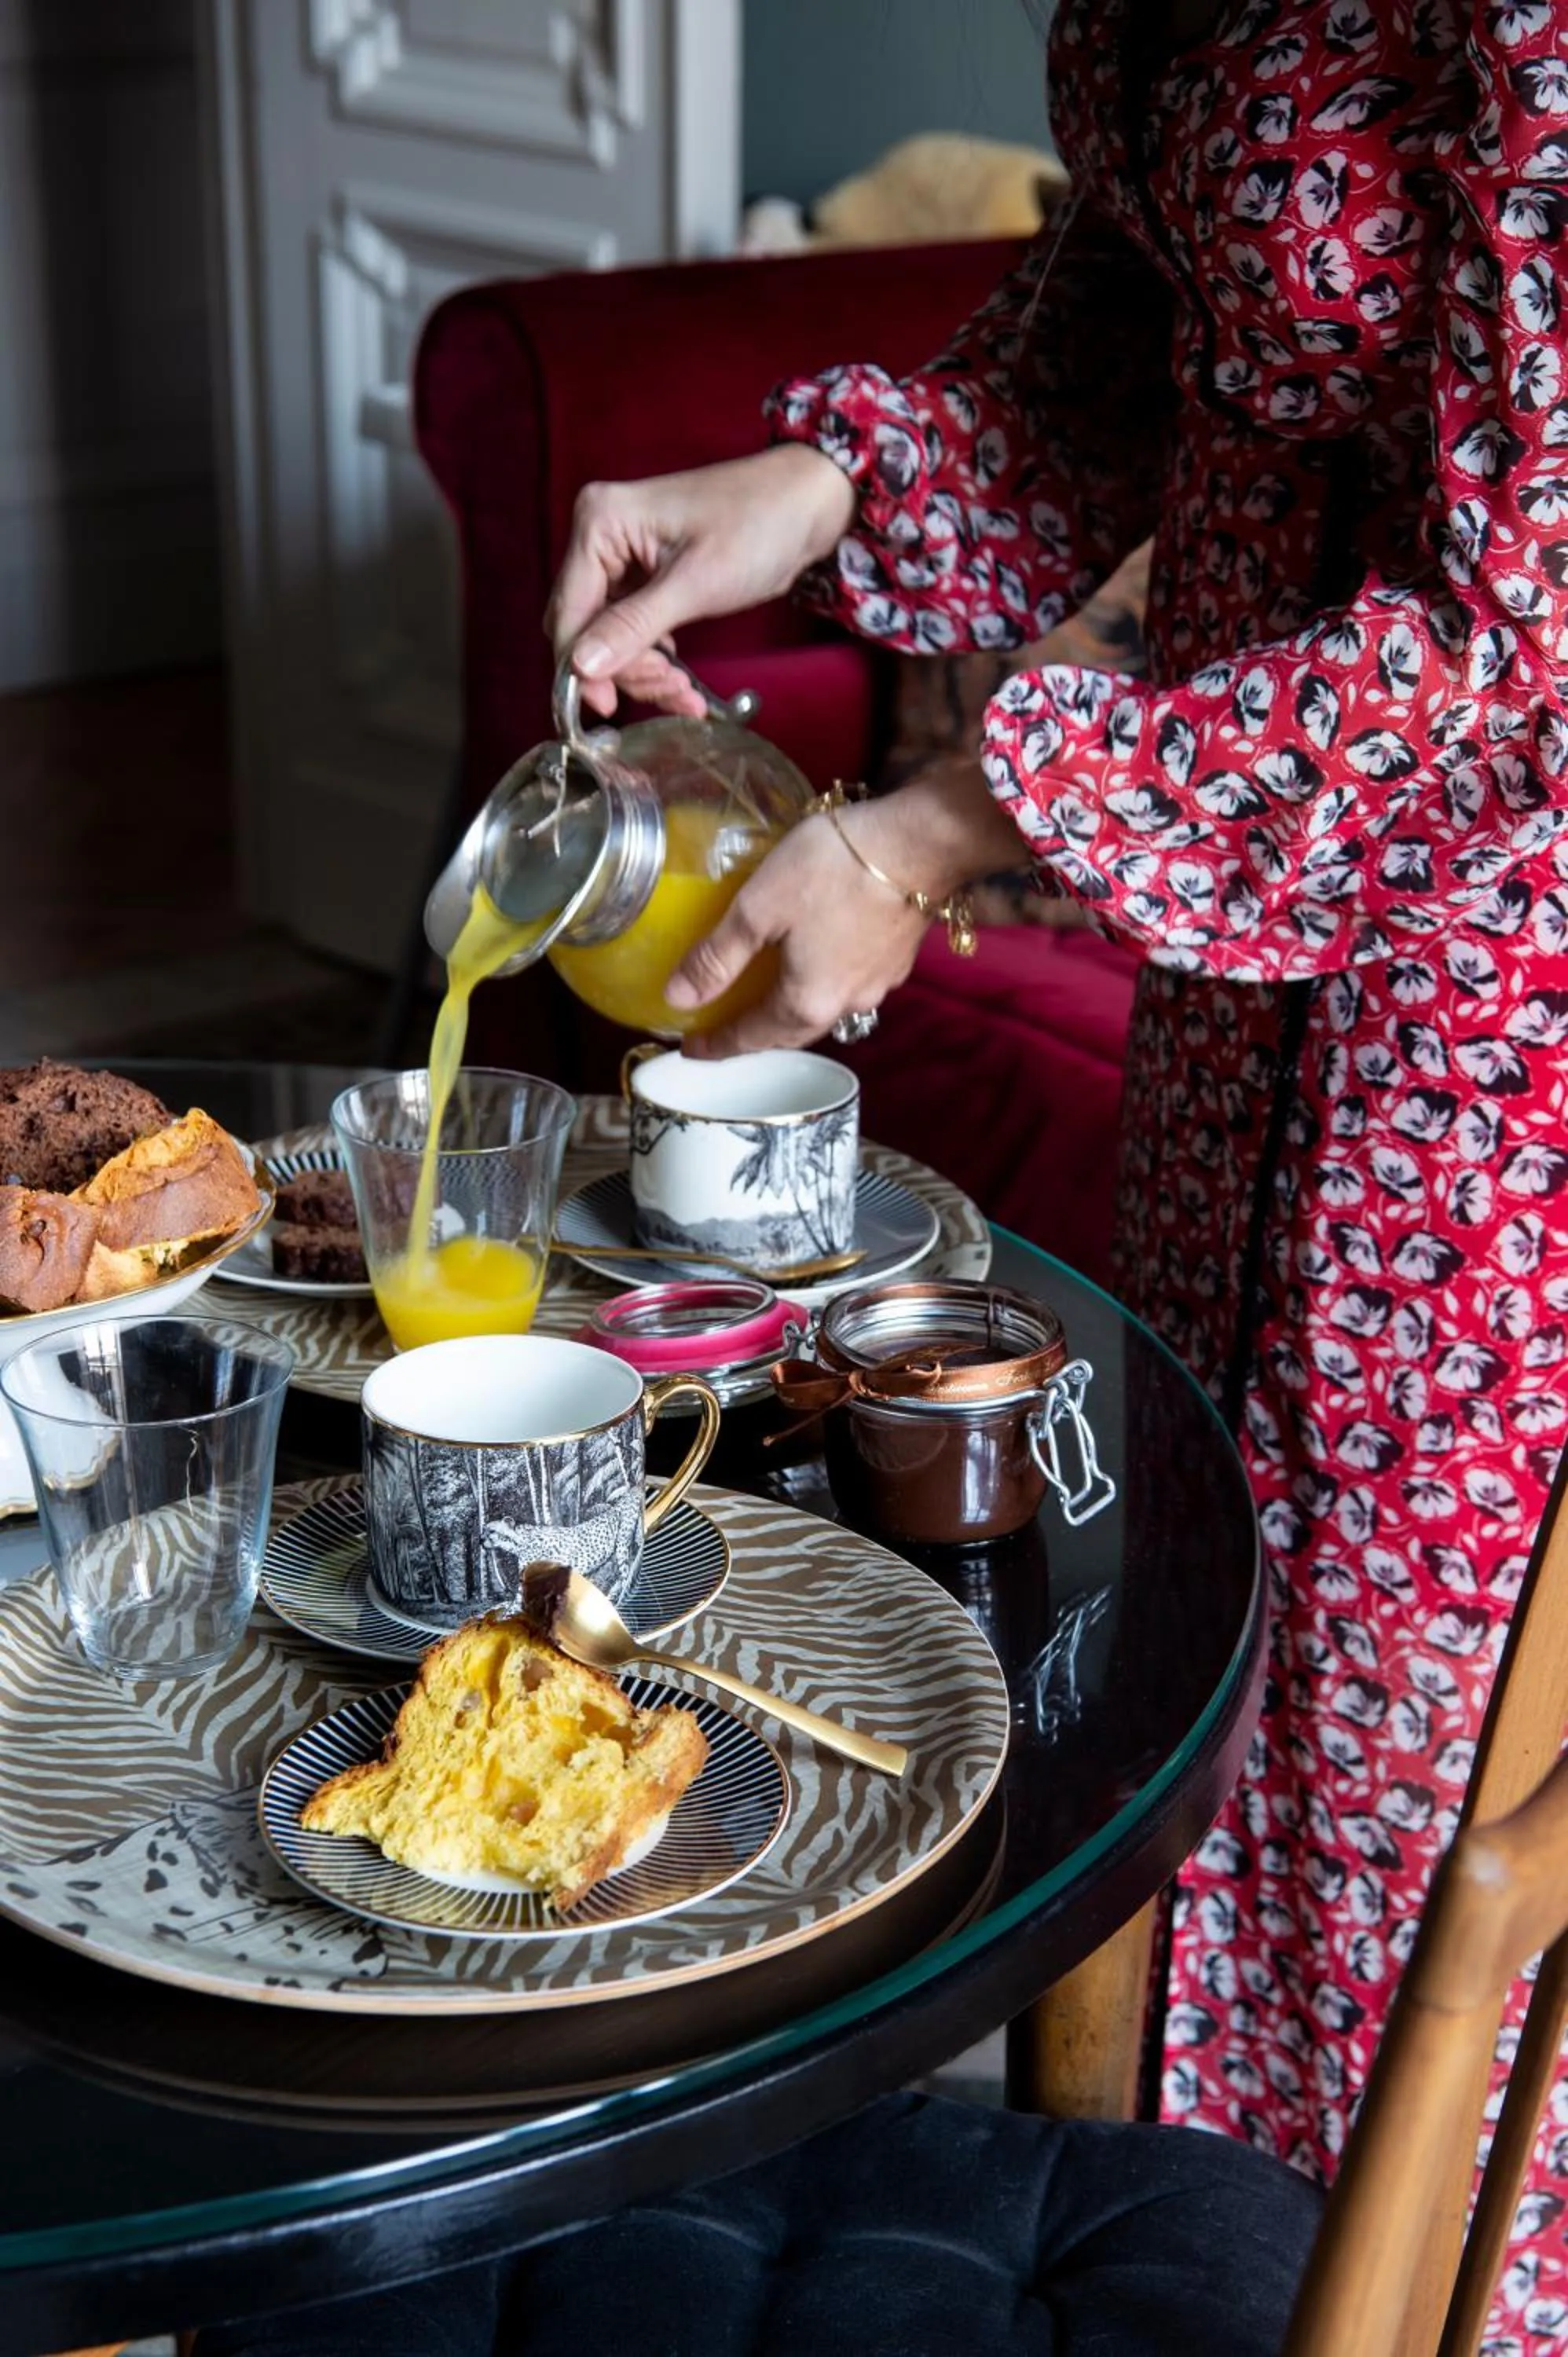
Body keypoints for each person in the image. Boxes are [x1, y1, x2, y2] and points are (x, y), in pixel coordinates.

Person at [548, 0, 1568, 2341]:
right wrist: (823, 485)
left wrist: (932, 837)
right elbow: (1158, 303)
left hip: (1494, 1046)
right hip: (1246, 975)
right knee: (1222, 1688)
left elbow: (1518, 654)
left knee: (1411, 1839)